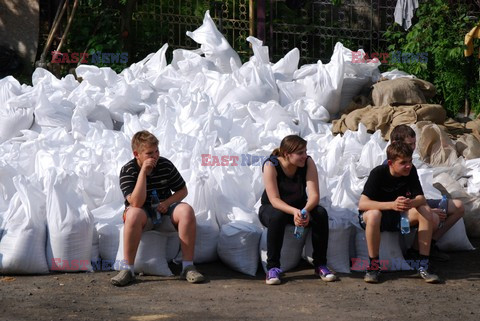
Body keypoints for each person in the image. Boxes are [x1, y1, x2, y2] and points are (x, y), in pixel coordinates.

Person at [111, 130, 205, 286]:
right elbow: (135, 203)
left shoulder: (164, 164)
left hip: (164, 210)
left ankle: (188, 267)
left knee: (186, 211)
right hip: (142, 215)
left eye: (156, 151)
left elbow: (183, 190)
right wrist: (143, 173)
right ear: (137, 154)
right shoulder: (128, 170)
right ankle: (127, 269)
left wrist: (167, 203)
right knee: (133, 214)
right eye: (149, 153)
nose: (154, 156)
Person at [358, 141, 440, 284]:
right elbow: (363, 204)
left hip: (399, 215)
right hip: (378, 215)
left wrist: (410, 203)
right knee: (374, 214)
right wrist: (392, 205)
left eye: (410, 161)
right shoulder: (378, 173)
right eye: (403, 163)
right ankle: (373, 266)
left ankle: (423, 263)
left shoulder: (411, 171)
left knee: (425, 210)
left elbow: (421, 198)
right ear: (390, 163)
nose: (408, 166)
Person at [259, 135, 336, 285]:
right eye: (300, 153)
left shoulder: (308, 162)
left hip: (299, 207)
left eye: (305, 151)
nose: (304, 156)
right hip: (272, 208)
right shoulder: (271, 165)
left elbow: (314, 195)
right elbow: (274, 200)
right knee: (278, 216)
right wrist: (294, 211)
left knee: (320, 213)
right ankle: (273, 268)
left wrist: (304, 211)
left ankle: (320, 264)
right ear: (287, 154)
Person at [389, 124, 465, 261]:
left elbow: (418, 195)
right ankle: (415, 252)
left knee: (459, 206)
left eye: (414, 144)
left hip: (414, 203)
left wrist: (426, 206)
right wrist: (428, 211)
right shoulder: (391, 167)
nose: (413, 148)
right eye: (409, 144)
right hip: (402, 210)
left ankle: (432, 243)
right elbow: (397, 202)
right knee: (432, 217)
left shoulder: (411, 167)